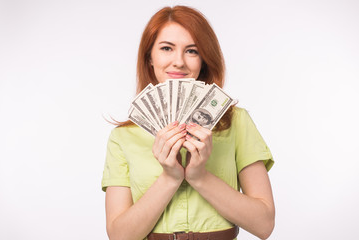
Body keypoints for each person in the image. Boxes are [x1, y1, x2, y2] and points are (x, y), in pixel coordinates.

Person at [102, 5, 275, 240]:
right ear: (149, 58)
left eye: (192, 51)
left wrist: (199, 176)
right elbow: (120, 236)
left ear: (203, 60)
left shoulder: (237, 123)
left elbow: (264, 224)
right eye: (166, 48)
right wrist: (170, 177)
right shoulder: (123, 137)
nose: (179, 62)